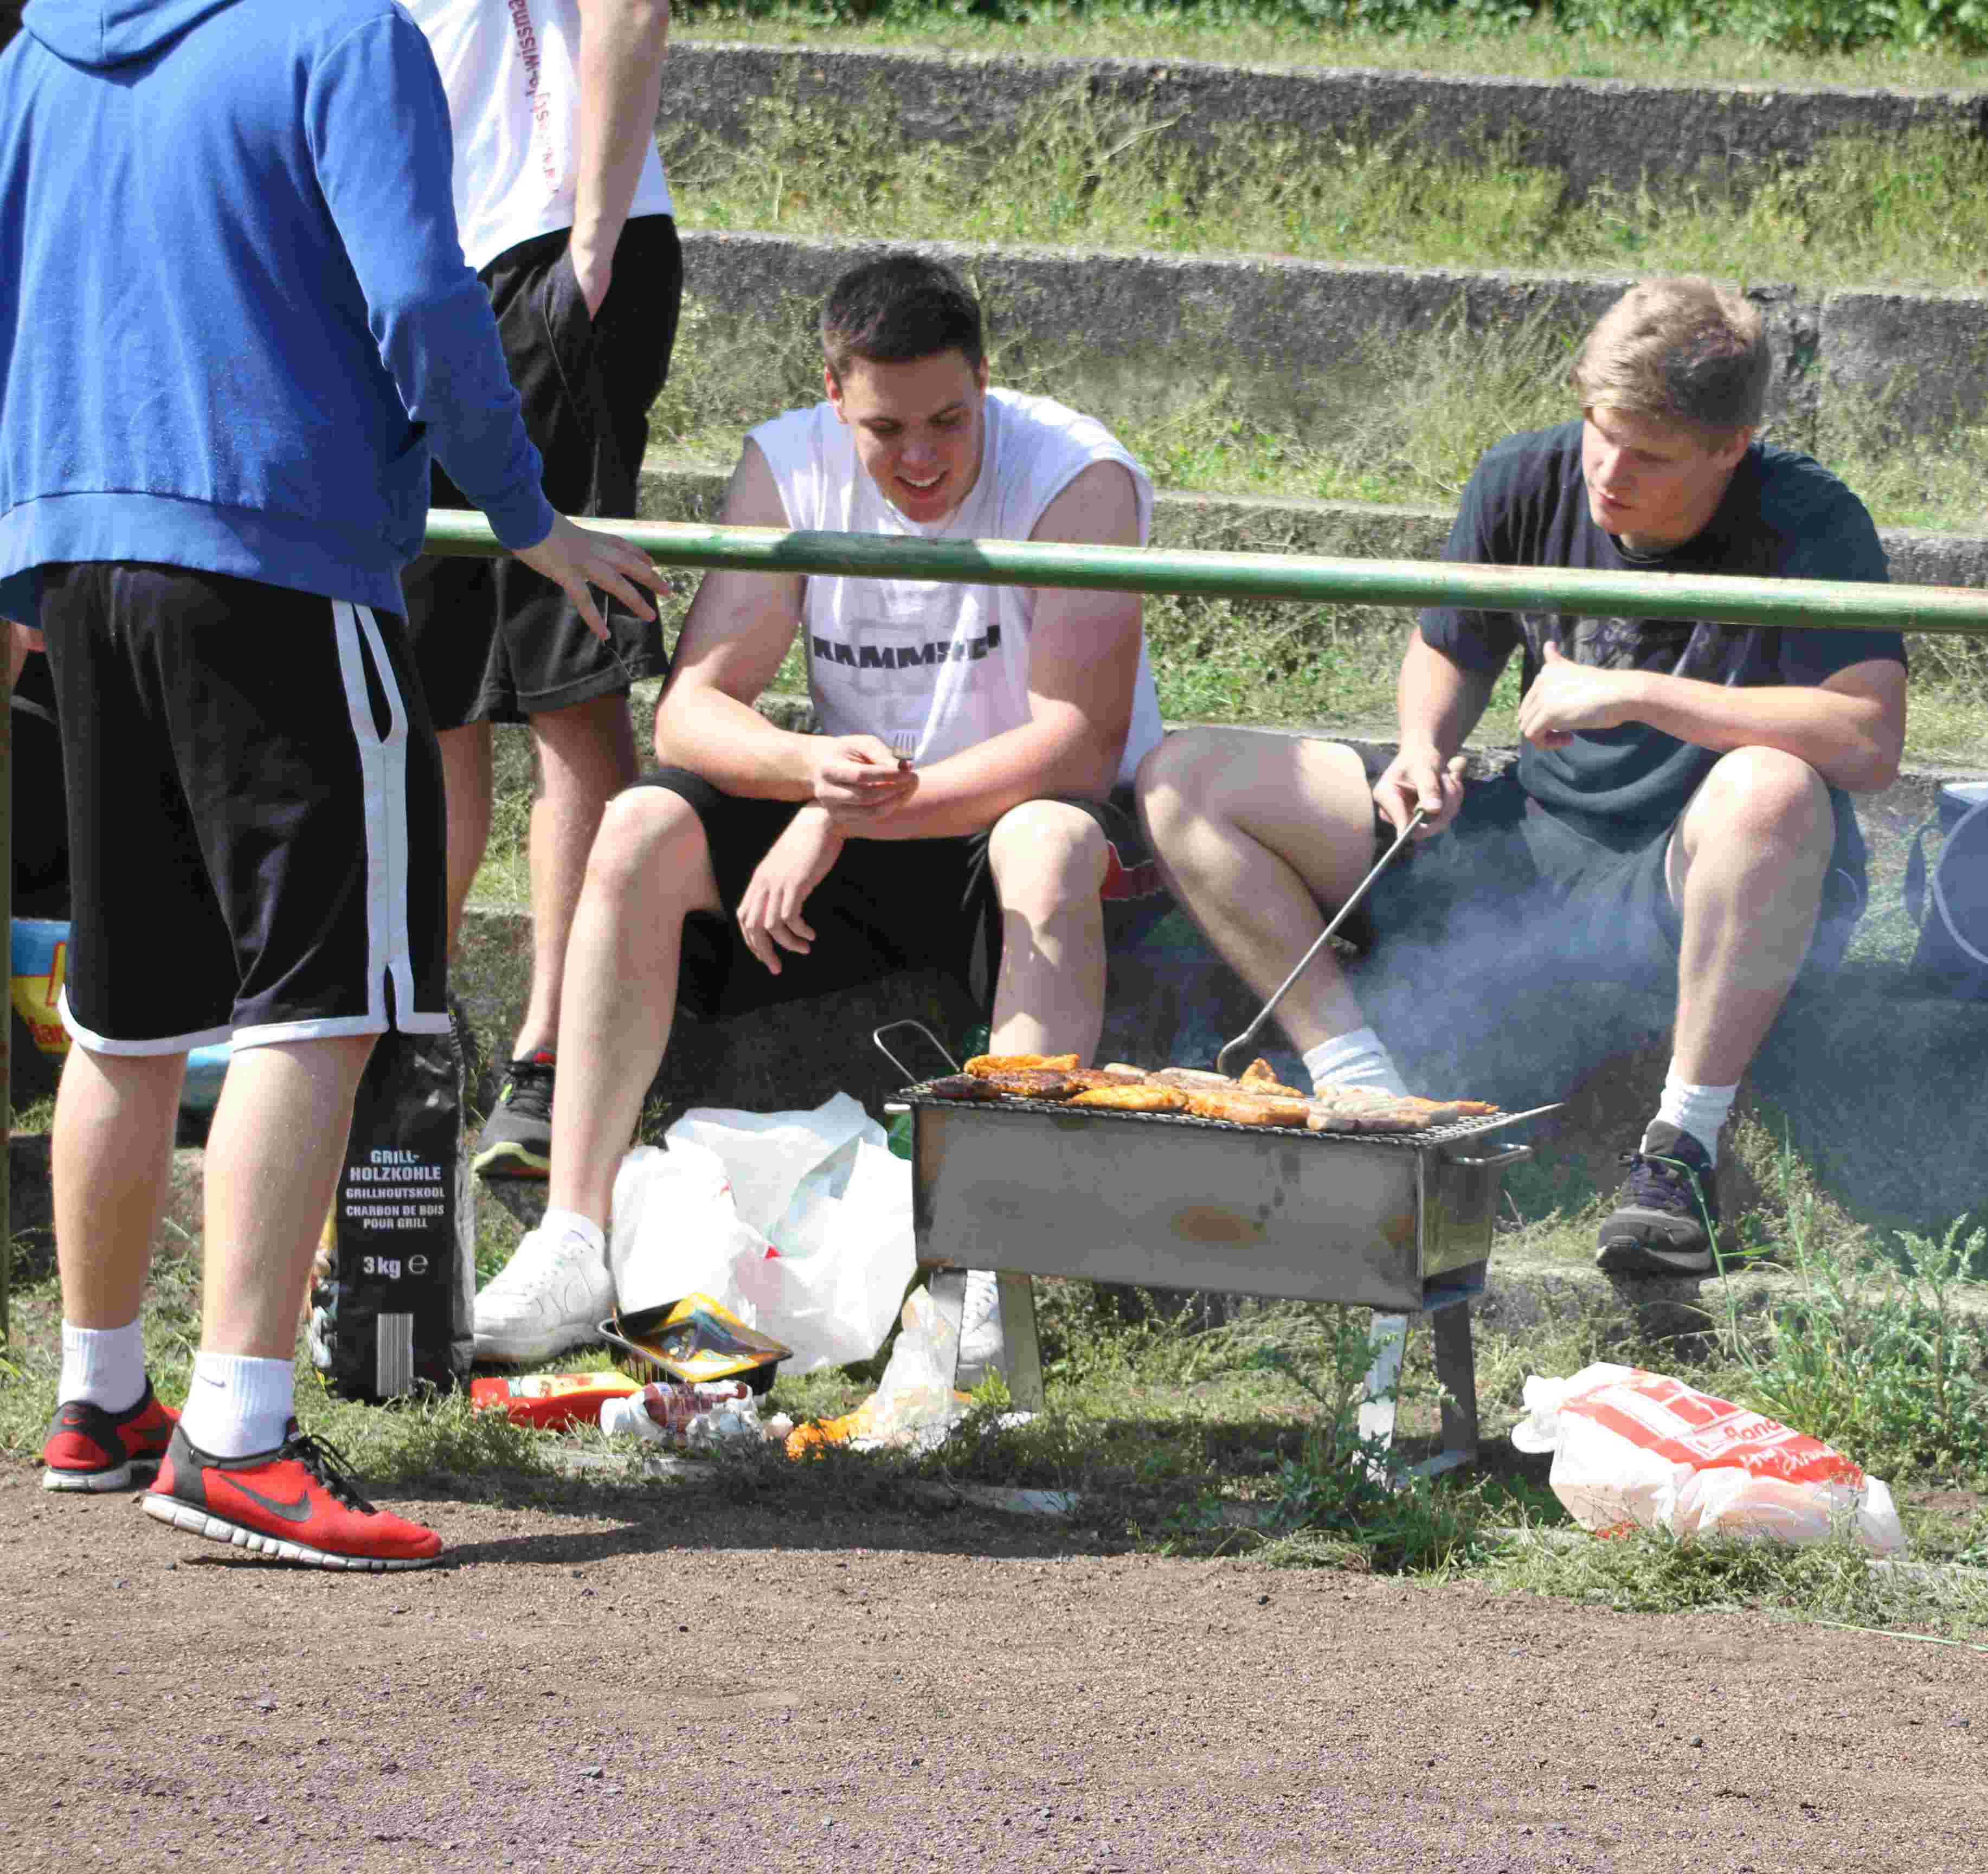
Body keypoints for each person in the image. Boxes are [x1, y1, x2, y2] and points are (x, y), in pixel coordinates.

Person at [3, 0, 659, 1566]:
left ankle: (102, 1397)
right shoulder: (341, 34)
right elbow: (426, 298)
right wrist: (526, 514)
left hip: (81, 559)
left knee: (128, 1010)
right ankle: (238, 1434)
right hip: (279, 556)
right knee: (326, 1005)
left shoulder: (34, 55)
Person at [469, 253, 1164, 1362]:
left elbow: (1076, 750)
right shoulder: (787, 461)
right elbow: (691, 715)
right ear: (835, 394)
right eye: (887, 430)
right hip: (863, 820)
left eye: (949, 421)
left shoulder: (1077, 474)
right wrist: (811, 776)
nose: (923, 459)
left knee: (1047, 841)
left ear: (986, 380)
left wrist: (837, 815)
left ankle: (991, 1262)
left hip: (1012, 821)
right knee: (642, 826)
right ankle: (574, 1238)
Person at [1140, 277, 1906, 1277]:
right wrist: (1423, 745)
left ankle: (1680, 1150)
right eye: (1600, 431)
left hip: (1694, 873)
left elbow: (1868, 737)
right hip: (1522, 847)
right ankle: (1364, 1090)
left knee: (1774, 789)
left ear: (1732, 446)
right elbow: (1447, 649)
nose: (1610, 473)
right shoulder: (1525, 474)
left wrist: (1638, 693)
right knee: (1189, 777)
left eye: (1650, 455)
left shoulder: (1810, 516)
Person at [393, 1, 682, 1178]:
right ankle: (405, 1029)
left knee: (566, 673)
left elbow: (631, 9)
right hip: (415, 262)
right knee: (426, 689)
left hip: (541, 240)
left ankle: (557, 1054)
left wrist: (592, 242)